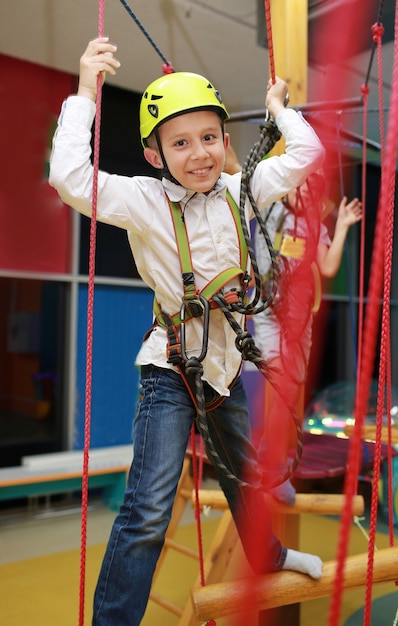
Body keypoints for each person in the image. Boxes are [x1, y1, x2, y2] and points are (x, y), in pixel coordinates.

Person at [49, 36, 326, 626]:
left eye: (208, 138)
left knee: (247, 484)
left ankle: (271, 557)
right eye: (179, 143)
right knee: (149, 508)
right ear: (156, 155)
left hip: (224, 367)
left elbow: (306, 154)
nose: (198, 154)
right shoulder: (144, 199)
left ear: (225, 142)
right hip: (172, 371)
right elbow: (69, 177)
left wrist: (279, 110)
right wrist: (84, 93)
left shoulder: (240, 189)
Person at [253, 173, 363, 505]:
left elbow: (328, 266)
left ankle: (277, 458)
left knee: (295, 384)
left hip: (299, 317)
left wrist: (342, 224)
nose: (305, 194)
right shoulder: (270, 209)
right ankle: (268, 465)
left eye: (312, 189)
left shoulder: (315, 224)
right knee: (279, 383)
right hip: (270, 311)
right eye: (300, 185)